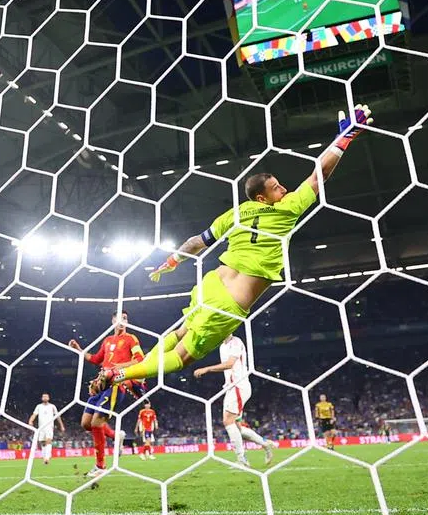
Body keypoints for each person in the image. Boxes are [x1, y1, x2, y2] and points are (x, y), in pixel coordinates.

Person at [98, 105, 373, 389]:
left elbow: (195, 242)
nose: (284, 189)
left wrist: (171, 262)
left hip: (211, 285)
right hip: (228, 303)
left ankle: (131, 369)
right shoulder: (287, 209)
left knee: (180, 333)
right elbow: (318, 175)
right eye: (276, 188)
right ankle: (120, 375)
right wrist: (344, 139)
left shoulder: (236, 213)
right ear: (262, 198)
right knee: (182, 357)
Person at [69, 312, 144, 477]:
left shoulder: (131, 338)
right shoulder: (107, 340)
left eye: (125, 318)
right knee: (86, 424)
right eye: (119, 318)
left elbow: (140, 359)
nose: (122, 321)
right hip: (101, 384)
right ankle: (116, 436)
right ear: (112, 321)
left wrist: (120, 367)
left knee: (96, 422)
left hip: (116, 385)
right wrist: (79, 350)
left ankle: (100, 466)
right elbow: (96, 359)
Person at [194, 333, 276, 466]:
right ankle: (265, 444)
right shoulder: (222, 346)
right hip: (231, 387)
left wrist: (207, 369)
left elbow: (230, 364)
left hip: (239, 385)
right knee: (237, 427)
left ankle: (242, 459)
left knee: (228, 421)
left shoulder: (236, 342)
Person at [28, 393, 65, 465]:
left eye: (46, 397)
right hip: (41, 427)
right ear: (42, 398)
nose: (45, 398)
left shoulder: (52, 406)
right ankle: (44, 457)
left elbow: (57, 416)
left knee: (48, 440)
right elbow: (34, 414)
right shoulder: (39, 406)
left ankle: (47, 458)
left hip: (49, 426)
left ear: (48, 398)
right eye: (43, 397)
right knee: (42, 442)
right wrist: (30, 420)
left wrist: (61, 425)